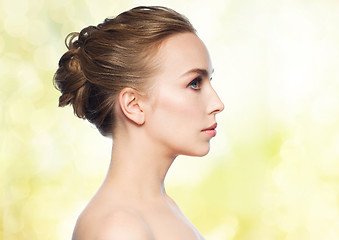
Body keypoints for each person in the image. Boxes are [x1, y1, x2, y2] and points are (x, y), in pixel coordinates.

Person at [54, 6, 224, 240]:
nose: (217, 103)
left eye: (209, 80)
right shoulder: (118, 228)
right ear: (133, 105)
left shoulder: (163, 207)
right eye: (194, 83)